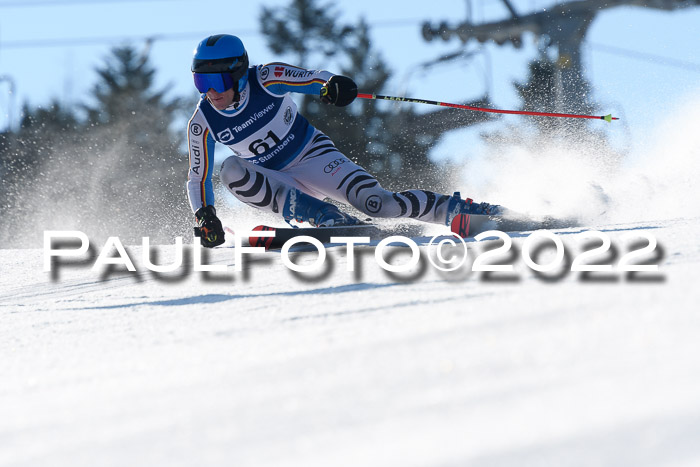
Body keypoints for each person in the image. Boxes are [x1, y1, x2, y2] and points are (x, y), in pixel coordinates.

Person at [187, 34, 500, 247]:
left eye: (216, 80)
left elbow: (310, 77)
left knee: (377, 204)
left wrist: (330, 85)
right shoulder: (202, 122)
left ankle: (460, 209)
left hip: (312, 156)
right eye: (201, 81)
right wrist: (205, 215)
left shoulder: (266, 78)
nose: (210, 92)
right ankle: (327, 218)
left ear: (238, 72)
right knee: (230, 170)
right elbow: (198, 177)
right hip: (277, 181)